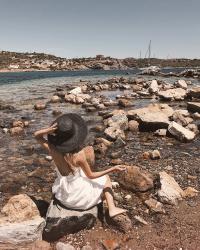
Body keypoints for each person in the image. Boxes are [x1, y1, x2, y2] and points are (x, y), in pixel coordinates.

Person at [34, 113, 127, 218]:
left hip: (65, 197)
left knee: (82, 174)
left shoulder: (53, 149)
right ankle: (112, 209)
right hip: (79, 198)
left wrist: (47, 131)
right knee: (106, 178)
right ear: (75, 136)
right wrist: (112, 169)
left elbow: (37, 136)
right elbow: (91, 175)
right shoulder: (79, 155)